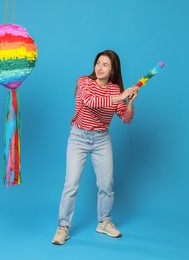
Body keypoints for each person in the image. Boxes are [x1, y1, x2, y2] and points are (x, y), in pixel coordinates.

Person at [52, 50, 139, 245]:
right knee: (71, 184)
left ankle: (104, 222)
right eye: (98, 63)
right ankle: (63, 227)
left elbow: (126, 119)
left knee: (107, 184)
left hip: (101, 140)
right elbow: (91, 102)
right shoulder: (84, 82)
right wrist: (121, 97)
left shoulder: (115, 90)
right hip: (78, 137)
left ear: (113, 70)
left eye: (105, 65)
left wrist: (130, 102)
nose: (99, 68)